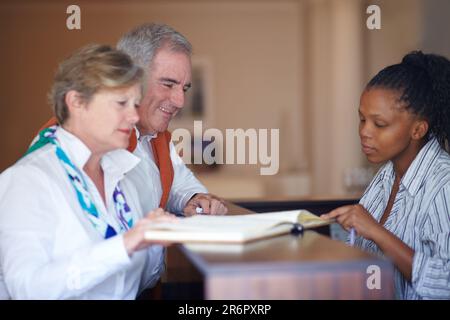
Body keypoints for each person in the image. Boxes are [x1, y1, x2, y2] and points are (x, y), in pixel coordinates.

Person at [0, 44, 177, 299]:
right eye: (121, 103)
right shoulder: (27, 180)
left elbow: (137, 281)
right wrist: (125, 244)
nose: (134, 117)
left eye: (135, 104)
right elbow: (28, 289)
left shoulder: (121, 177)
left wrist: (156, 236)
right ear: (76, 102)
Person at [42, 23, 228, 216]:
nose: (180, 101)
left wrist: (194, 198)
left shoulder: (158, 138)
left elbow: (177, 184)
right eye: (168, 84)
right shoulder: (82, 137)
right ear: (130, 76)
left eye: (185, 88)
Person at [321, 51, 450, 299]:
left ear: (418, 129)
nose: (365, 132)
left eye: (379, 124)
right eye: (362, 119)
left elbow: (445, 282)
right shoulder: (386, 176)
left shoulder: (443, 184)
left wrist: (375, 231)